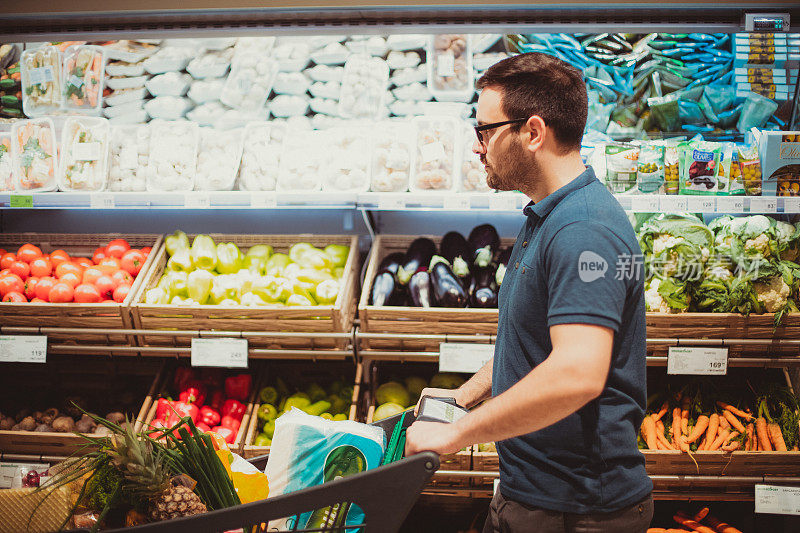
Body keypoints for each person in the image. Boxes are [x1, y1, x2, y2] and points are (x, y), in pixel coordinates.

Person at [404, 52, 653, 532]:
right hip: (542, 495)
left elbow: (576, 374)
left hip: (577, 510)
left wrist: (457, 434)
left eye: (485, 131)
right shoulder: (550, 214)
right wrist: (465, 395)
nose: (478, 148)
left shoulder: (583, 231)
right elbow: (533, 343)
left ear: (533, 132)